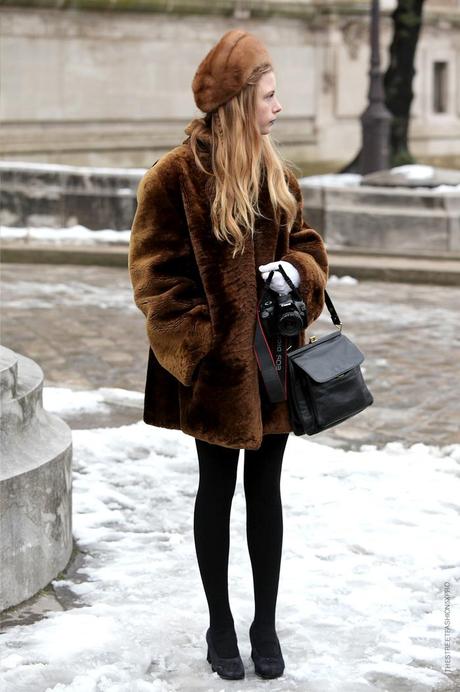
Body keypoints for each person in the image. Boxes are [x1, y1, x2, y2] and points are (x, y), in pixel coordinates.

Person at [128, 28, 328, 682]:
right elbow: (155, 278)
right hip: (213, 375)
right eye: (269, 95)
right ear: (241, 101)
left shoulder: (278, 173)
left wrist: (296, 275)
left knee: (264, 490)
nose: (279, 107)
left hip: (272, 367)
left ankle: (263, 623)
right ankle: (219, 622)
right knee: (215, 490)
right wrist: (205, 345)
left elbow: (310, 248)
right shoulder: (174, 177)